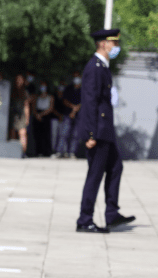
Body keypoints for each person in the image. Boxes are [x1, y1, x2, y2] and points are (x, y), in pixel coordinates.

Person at [76, 29, 135, 233]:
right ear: (103, 44)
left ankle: (111, 214)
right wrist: (91, 134)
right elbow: (90, 102)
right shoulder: (94, 67)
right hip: (98, 132)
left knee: (116, 167)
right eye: (114, 42)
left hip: (105, 131)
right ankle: (84, 220)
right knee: (95, 175)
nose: (116, 46)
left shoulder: (103, 67)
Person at [57, 72, 82, 158]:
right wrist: (73, 108)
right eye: (74, 77)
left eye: (77, 77)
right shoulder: (69, 88)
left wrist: (75, 110)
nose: (76, 79)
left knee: (76, 134)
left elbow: (83, 102)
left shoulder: (83, 89)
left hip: (79, 115)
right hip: (68, 114)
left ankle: (72, 152)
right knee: (64, 133)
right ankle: (60, 151)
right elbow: (65, 100)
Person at [31, 80, 55, 157]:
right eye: (41, 86)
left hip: (46, 115)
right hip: (37, 115)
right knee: (37, 135)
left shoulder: (50, 97)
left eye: (44, 86)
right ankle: (38, 151)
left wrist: (41, 115)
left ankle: (47, 152)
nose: (43, 88)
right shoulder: (36, 96)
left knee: (46, 135)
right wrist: (37, 115)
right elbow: (33, 107)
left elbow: (50, 108)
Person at [10, 74, 30, 158]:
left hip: (21, 115)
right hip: (13, 114)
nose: (19, 81)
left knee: (22, 133)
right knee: (12, 133)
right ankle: (12, 152)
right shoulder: (11, 91)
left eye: (21, 80)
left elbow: (26, 106)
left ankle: (23, 152)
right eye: (17, 80)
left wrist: (27, 117)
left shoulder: (25, 92)